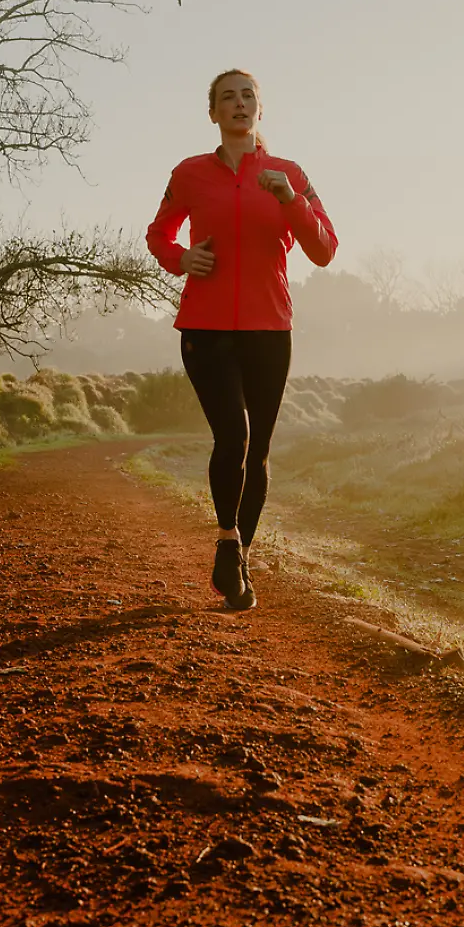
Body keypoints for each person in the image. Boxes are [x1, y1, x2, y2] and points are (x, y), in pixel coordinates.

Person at [145, 70, 338, 611]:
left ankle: (239, 554)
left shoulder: (288, 173)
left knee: (258, 452)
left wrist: (291, 199)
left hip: (269, 329)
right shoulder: (189, 174)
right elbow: (158, 233)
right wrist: (180, 258)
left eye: (247, 95)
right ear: (213, 113)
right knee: (233, 434)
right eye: (227, 97)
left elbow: (324, 250)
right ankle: (227, 540)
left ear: (260, 109)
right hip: (204, 328)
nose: (238, 103)